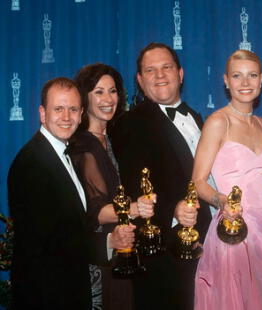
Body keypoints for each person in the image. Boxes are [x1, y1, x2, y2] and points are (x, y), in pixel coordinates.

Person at [7, 77, 135, 309]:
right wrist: (108, 241)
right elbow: (53, 243)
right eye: (58, 109)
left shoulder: (62, 155)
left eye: (73, 109)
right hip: (47, 294)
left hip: (66, 288)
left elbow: (70, 227)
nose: (66, 117)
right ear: (42, 113)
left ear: (81, 113)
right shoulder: (32, 163)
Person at [193, 50, 262, 310]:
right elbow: (197, 181)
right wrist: (221, 202)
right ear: (226, 81)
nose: (245, 83)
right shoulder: (218, 122)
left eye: (252, 75)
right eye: (237, 76)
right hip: (236, 233)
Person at [110, 43, 212, 310]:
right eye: (150, 70)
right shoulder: (130, 124)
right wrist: (173, 210)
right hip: (164, 254)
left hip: (206, 245)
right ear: (140, 81)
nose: (159, 75)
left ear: (180, 73)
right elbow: (134, 186)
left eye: (166, 67)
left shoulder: (197, 118)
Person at [68, 63, 155, 309]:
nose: (108, 99)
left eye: (113, 90)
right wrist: (137, 208)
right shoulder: (83, 146)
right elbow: (97, 211)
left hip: (121, 250)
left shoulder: (112, 137)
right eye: (99, 92)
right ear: (85, 97)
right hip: (99, 259)